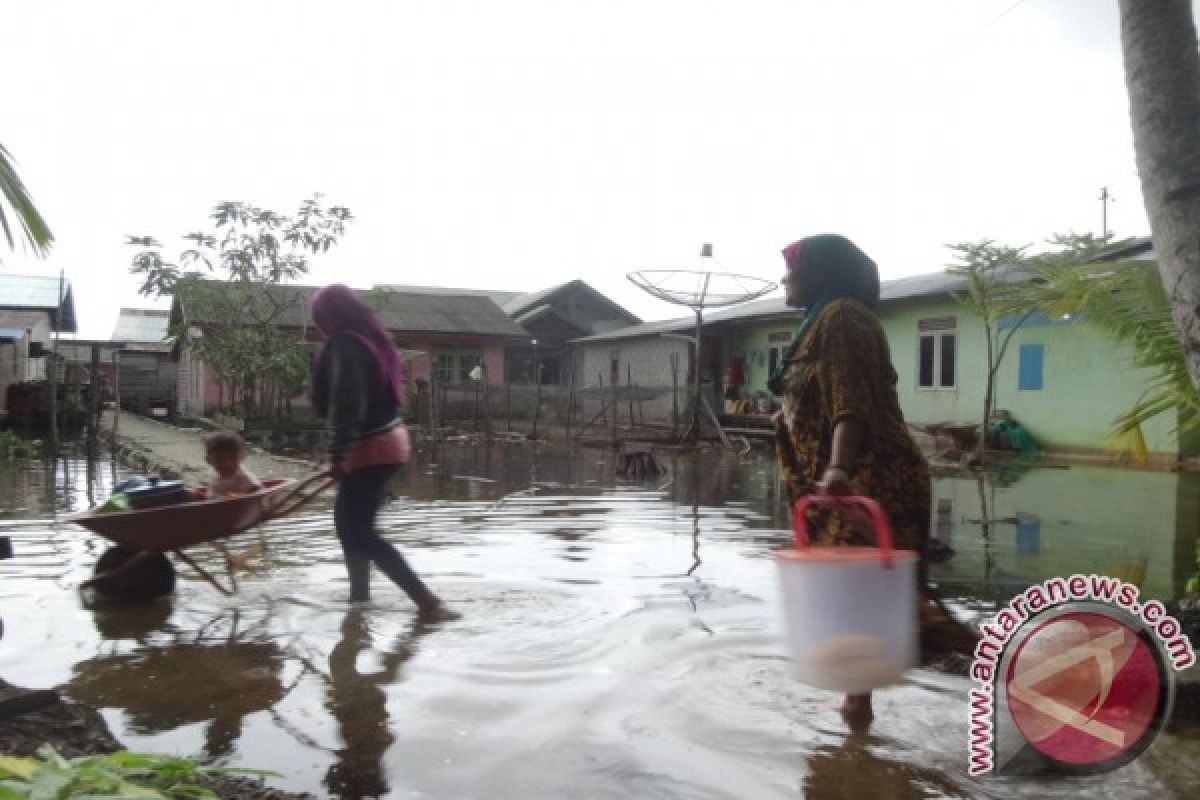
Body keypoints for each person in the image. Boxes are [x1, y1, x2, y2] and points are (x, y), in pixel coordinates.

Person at [768, 234, 974, 727]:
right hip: (842, 485)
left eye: (791, 268)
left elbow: (850, 400)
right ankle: (856, 715)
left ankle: (1027, 676)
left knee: (886, 610)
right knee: (864, 606)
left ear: (818, 272)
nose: (784, 278)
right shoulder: (818, 321)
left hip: (868, 481)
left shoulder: (841, 317)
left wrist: (838, 471)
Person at [310, 284, 454, 618]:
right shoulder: (368, 341)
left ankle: (428, 603)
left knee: (359, 531)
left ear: (328, 316)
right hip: (387, 442)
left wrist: (338, 454)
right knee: (349, 528)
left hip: (371, 446)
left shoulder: (345, 342)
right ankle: (360, 600)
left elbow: (348, 403)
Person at [204, 431, 262, 497]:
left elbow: (258, 491)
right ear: (208, 460)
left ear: (242, 457)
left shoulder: (243, 477)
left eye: (234, 457)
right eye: (220, 459)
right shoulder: (214, 474)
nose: (227, 463)